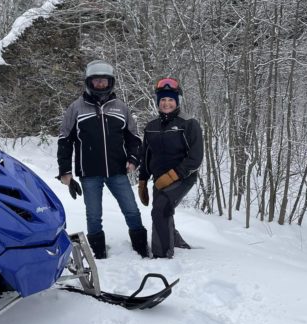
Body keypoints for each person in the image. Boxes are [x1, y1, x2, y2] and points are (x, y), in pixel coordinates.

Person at [57, 60, 148, 259]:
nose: (100, 85)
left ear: (111, 82)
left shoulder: (121, 108)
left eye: (104, 81)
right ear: (89, 82)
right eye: (96, 81)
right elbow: (64, 140)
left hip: (118, 171)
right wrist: (65, 171)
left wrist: (133, 159)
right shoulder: (76, 108)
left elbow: (134, 138)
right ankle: (98, 253)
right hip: (89, 173)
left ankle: (141, 248)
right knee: (93, 215)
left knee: (131, 210)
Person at [138, 77, 203, 256]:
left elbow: (196, 158)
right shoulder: (151, 126)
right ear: (158, 102)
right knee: (162, 209)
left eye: (171, 100)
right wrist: (143, 179)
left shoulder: (188, 124)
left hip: (183, 177)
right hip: (159, 179)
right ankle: (175, 241)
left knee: (161, 209)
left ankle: (162, 255)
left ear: (177, 102)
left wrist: (174, 175)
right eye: (163, 100)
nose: (167, 103)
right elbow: (146, 155)